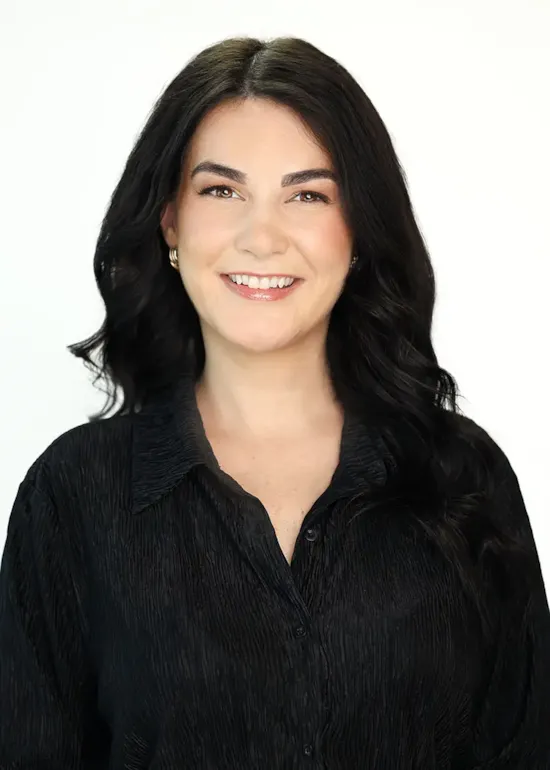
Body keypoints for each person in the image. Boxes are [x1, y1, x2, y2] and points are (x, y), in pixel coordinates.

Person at [0, 35, 549, 770]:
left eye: (307, 195)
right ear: (170, 221)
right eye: (222, 191)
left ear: (358, 232)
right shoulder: (73, 495)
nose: (262, 238)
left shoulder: (463, 475)